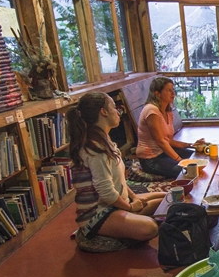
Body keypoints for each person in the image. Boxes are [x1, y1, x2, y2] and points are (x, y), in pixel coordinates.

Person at [69, 92, 164, 244]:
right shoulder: (94, 148)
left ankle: (129, 220)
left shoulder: (105, 141)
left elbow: (119, 181)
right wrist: (130, 207)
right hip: (97, 214)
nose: (118, 111)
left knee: (168, 197)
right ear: (103, 112)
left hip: (116, 204)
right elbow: (106, 191)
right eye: (114, 107)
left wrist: (133, 197)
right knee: (150, 228)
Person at [136, 77, 204, 179]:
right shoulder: (151, 111)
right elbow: (161, 141)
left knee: (198, 157)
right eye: (168, 90)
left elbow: (169, 140)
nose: (173, 93)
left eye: (173, 90)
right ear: (157, 93)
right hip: (151, 159)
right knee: (189, 171)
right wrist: (180, 160)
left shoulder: (168, 111)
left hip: (164, 152)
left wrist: (191, 145)